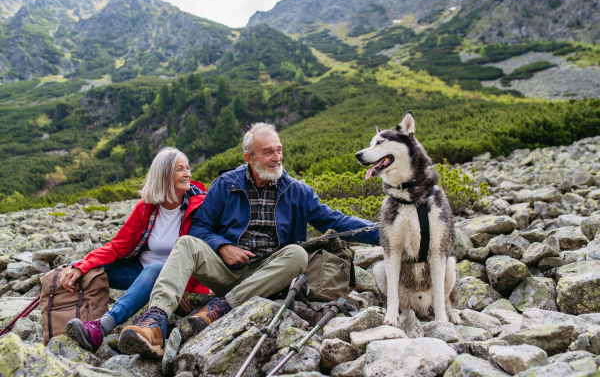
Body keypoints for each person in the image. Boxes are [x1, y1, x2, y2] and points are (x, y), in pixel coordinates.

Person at [117, 123, 380, 358]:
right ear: (249, 158)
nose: (276, 158)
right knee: (185, 243)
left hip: (269, 277)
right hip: (225, 269)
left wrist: (384, 232)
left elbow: (337, 221)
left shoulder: (298, 192)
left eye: (279, 150)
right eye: (268, 152)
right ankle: (154, 324)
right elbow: (199, 227)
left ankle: (219, 309)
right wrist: (222, 246)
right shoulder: (225, 184)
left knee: (297, 255)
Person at [61, 147, 209, 352]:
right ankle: (67, 319)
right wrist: (80, 266)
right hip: (141, 272)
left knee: (155, 269)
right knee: (89, 269)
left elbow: (204, 251)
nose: (188, 174)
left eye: (188, 168)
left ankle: (101, 327)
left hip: (179, 280)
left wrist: (183, 285)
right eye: (180, 170)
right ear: (164, 175)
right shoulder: (146, 207)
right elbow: (118, 245)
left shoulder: (200, 206)